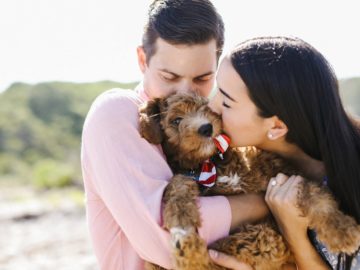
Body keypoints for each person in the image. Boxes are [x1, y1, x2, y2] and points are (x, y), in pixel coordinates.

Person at [80, 1, 268, 269]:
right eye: (169, 77)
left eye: (202, 79)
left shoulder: (214, 123)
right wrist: (263, 203)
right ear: (142, 60)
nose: (185, 92)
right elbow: (168, 241)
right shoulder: (118, 113)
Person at [208, 36, 360, 269]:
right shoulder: (249, 169)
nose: (212, 106)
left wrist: (294, 234)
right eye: (217, 90)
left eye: (227, 102)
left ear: (277, 127)